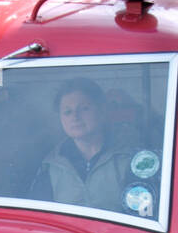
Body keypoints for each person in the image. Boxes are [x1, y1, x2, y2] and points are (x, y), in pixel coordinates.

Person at [30, 79, 136, 214]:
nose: (75, 117)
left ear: (102, 110)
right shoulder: (50, 166)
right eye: (68, 112)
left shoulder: (128, 159)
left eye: (84, 108)